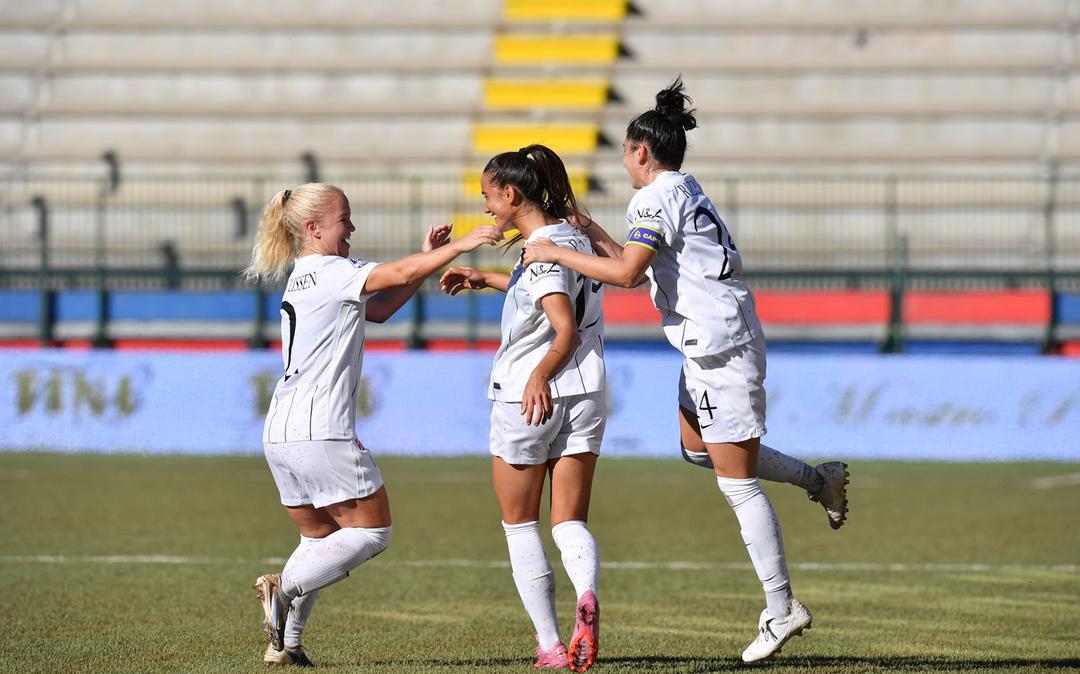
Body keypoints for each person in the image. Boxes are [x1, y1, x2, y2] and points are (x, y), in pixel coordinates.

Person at [523, 79, 849, 663]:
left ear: (642, 151)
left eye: (626, 151)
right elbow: (636, 263)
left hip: (721, 348)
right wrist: (587, 228)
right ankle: (816, 481)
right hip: (711, 342)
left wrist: (553, 251)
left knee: (737, 483)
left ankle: (781, 607)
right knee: (698, 449)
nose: (623, 161)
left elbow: (626, 274)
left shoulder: (652, 199)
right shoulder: (682, 186)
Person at [242, 182, 502, 667]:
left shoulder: (305, 275)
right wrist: (461, 246)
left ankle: (286, 644)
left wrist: (430, 259)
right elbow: (398, 272)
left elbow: (378, 310)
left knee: (320, 540)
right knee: (373, 533)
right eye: (344, 220)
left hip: (279, 430)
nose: (352, 228)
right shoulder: (332, 270)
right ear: (314, 228)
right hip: (320, 428)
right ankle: (284, 587)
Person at [438, 145, 605, 671]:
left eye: (488, 196)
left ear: (511, 193)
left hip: (531, 396)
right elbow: (555, 295)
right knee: (569, 520)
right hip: (587, 392)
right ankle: (586, 592)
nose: (486, 205)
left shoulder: (540, 250)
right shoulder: (575, 235)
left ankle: (551, 645)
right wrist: (487, 279)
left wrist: (538, 375)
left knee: (519, 524)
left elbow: (563, 327)